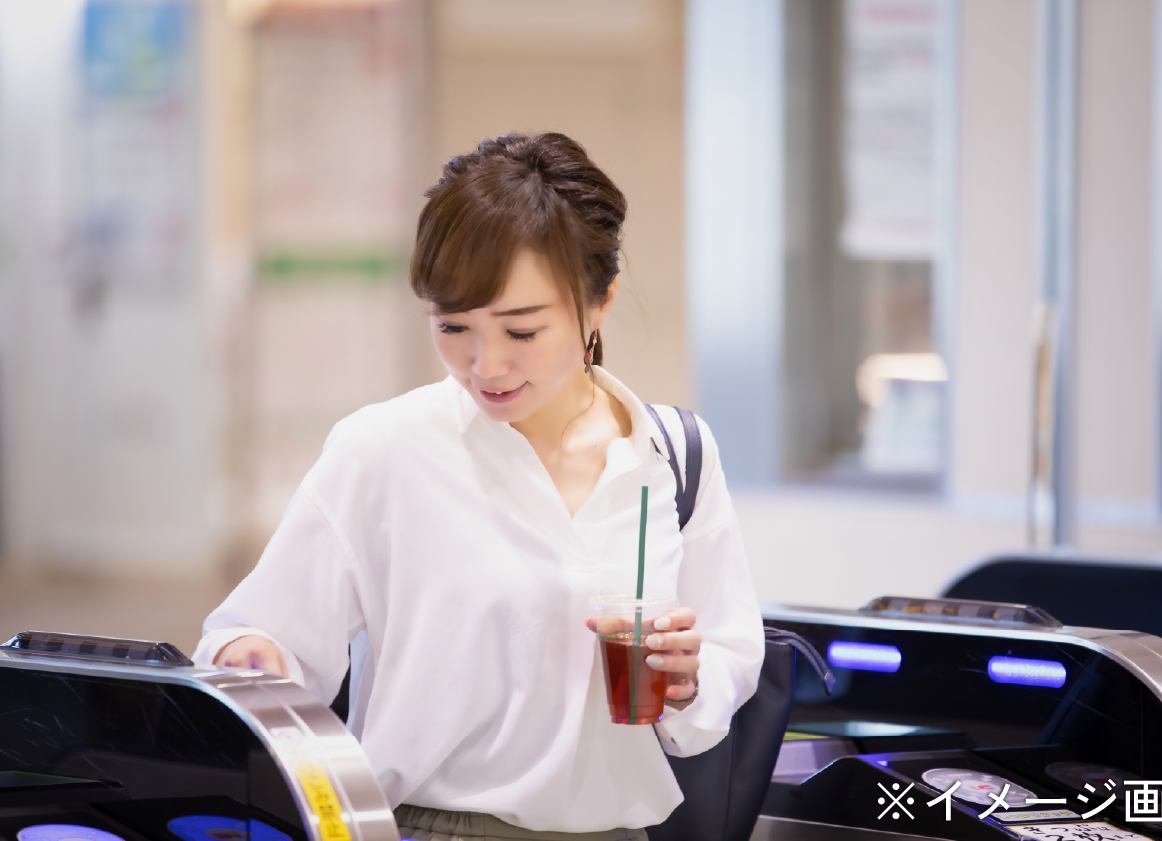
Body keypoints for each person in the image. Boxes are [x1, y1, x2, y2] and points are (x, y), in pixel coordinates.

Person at [193, 132, 765, 841]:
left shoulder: (673, 456)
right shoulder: (386, 449)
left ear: (601, 302)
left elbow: (731, 658)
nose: (485, 363)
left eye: (522, 331)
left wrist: (689, 678)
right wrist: (256, 656)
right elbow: (256, 635)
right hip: (428, 827)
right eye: (453, 325)